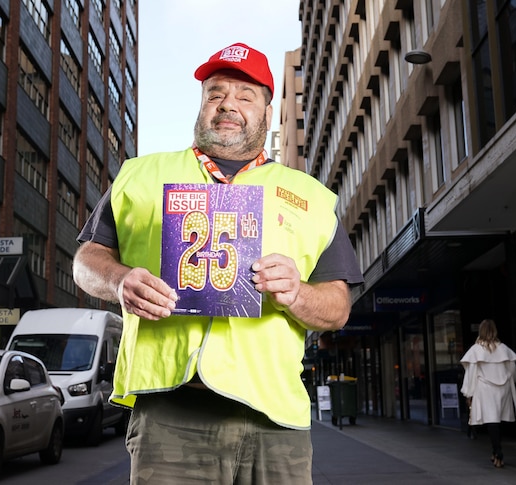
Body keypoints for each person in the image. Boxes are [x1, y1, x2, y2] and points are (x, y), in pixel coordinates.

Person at [73, 42, 364, 484]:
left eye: (245, 95)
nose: (228, 104)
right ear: (202, 104)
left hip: (273, 418)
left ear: (267, 112)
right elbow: (86, 261)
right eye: (215, 93)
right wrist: (118, 281)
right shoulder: (140, 175)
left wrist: (297, 293)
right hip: (170, 414)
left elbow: (337, 308)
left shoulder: (311, 197)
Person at [460, 319, 516, 468]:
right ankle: (496, 452)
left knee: (492, 420)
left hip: (485, 388)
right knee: (499, 419)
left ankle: (497, 451)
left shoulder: (476, 350)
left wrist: (468, 394)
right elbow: (513, 371)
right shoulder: (504, 348)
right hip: (503, 387)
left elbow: (471, 374)